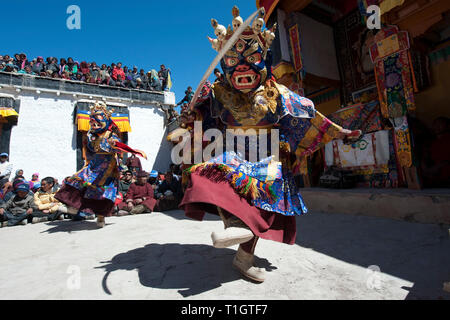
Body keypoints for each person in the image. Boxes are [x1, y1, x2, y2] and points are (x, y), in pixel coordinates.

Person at [178, 6, 362, 283]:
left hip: (268, 157)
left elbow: (311, 117)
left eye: (250, 57)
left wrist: (340, 132)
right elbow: (201, 119)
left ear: (262, 60)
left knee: (262, 206)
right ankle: (234, 225)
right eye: (232, 59)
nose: (242, 66)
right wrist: (192, 117)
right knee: (206, 176)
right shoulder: (217, 94)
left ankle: (243, 256)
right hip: (233, 152)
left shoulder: (278, 93)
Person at [54, 101, 146, 227]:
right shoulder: (93, 136)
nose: (94, 124)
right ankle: (73, 206)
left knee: (104, 194)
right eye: (92, 122)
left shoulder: (112, 135)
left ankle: (101, 217)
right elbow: (92, 150)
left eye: (98, 121)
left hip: (108, 167)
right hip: (94, 165)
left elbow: (118, 149)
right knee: (77, 179)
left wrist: (114, 145)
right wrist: (90, 141)